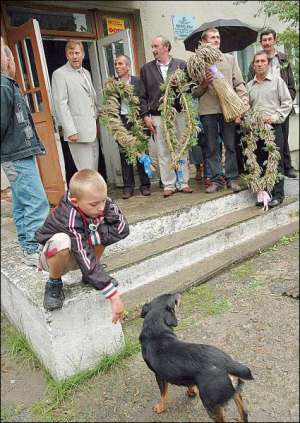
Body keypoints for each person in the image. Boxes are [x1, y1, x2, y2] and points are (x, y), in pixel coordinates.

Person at [35, 169, 129, 322]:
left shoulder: (100, 203)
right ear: (74, 201)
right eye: (94, 204)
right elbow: (82, 252)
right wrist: (113, 296)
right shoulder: (69, 217)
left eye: (103, 200)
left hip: (80, 250)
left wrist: (105, 215)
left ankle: (89, 277)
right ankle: (54, 283)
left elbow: (122, 228)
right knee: (62, 240)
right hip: (55, 257)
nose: (100, 207)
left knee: (101, 230)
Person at [1, 39, 49, 267]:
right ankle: (33, 248)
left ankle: (27, 246)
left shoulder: (8, 83)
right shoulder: (2, 85)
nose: (11, 59)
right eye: (6, 54)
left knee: (21, 202)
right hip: (15, 154)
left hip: (18, 153)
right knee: (36, 201)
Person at [192, 27, 249, 193]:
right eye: (212, 37)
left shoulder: (230, 59)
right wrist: (203, 84)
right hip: (207, 110)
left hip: (229, 110)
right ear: (203, 42)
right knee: (211, 147)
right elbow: (193, 92)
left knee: (231, 145)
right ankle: (216, 180)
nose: (216, 40)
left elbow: (239, 83)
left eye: (218, 37)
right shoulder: (197, 63)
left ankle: (232, 178)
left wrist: (243, 103)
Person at [139, 35, 193, 198]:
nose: (154, 50)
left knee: (181, 147)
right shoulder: (146, 69)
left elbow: (190, 88)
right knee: (163, 150)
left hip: (179, 112)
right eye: (152, 47)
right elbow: (142, 95)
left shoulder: (181, 65)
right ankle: (169, 184)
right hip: (158, 114)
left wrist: (181, 85)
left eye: (156, 46)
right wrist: (145, 116)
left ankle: (183, 182)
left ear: (166, 47)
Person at [248, 29, 297, 179]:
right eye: (264, 40)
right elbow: (252, 86)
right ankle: (271, 172)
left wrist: (285, 104)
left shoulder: (283, 58)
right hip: (264, 107)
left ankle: (286, 167)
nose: (267, 42)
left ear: (275, 40)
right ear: (261, 42)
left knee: (282, 140)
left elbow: (291, 85)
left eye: (270, 39)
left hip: (281, 106)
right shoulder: (256, 62)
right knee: (268, 143)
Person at [247, 50, 293, 208]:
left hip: (274, 127)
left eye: (262, 61)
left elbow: (287, 103)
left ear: (268, 64)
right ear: (253, 65)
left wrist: (274, 117)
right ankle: (265, 194)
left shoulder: (277, 81)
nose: (259, 64)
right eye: (257, 62)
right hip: (256, 130)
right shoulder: (249, 86)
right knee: (260, 161)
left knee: (276, 160)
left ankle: (278, 195)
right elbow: (247, 108)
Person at [52, 40, 105, 176]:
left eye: (77, 52)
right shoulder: (60, 74)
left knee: (94, 169)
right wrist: (70, 131)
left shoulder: (86, 72)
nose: (75, 56)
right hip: (77, 133)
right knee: (85, 172)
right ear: (66, 55)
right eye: (71, 53)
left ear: (82, 54)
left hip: (92, 130)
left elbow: (90, 98)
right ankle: (88, 197)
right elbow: (61, 104)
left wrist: (101, 111)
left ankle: (95, 197)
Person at [114, 55, 151, 199]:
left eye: (120, 63)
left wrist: (144, 117)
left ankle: (145, 185)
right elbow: (110, 104)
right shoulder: (113, 84)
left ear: (128, 67)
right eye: (116, 64)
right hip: (121, 120)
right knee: (125, 153)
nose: (117, 66)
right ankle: (128, 187)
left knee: (141, 150)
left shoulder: (136, 81)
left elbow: (142, 99)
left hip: (137, 119)